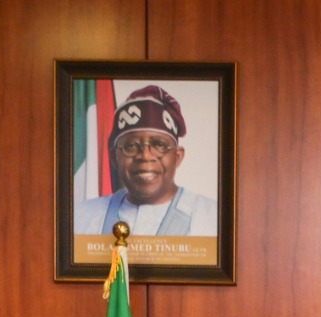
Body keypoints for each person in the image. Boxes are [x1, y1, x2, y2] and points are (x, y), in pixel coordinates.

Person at [74, 84, 218, 237]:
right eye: (131, 146)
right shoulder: (80, 218)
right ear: (115, 158)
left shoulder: (214, 218)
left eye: (159, 145)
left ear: (177, 157)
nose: (145, 156)